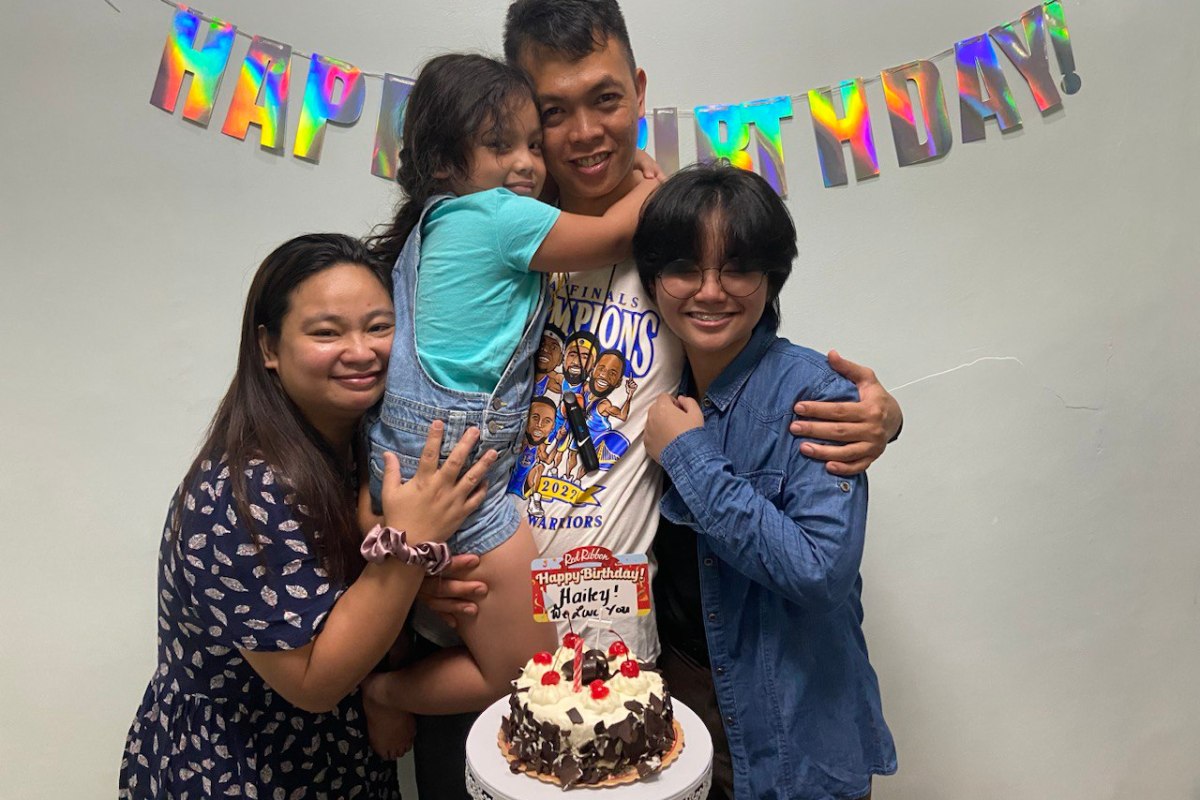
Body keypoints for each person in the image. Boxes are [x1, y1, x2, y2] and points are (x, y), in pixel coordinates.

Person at [403, 1, 905, 795]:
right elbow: (396, 403)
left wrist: (880, 416)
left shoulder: (678, 239)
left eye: (604, 98)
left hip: (625, 656)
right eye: (553, 112)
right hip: (474, 633)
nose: (583, 133)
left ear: (639, 90)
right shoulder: (487, 241)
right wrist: (406, 562)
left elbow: (753, 379)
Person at [118, 234, 496, 797]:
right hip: (238, 772)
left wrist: (413, 587)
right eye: (326, 332)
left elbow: (342, 600)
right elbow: (313, 683)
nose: (361, 351)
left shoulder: (363, 451)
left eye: (380, 326)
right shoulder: (238, 493)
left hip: (344, 763)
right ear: (268, 347)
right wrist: (408, 546)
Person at [358, 52, 660, 737]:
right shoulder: (499, 218)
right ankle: (385, 693)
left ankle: (393, 675)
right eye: (501, 146)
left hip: (406, 457)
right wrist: (650, 179)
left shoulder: (434, 225)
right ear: (444, 161)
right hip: (460, 472)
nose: (526, 163)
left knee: (482, 640)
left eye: (531, 144)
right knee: (523, 671)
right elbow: (616, 234)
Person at [637, 164, 896, 799]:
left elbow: (820, 572)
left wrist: (689, 456)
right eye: (684, 269)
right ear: (652, 280)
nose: (710, 292)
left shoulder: (815, 396)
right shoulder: (650, 390)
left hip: (791, 737)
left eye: (737, 269)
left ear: (771, 277)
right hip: (680, 721)